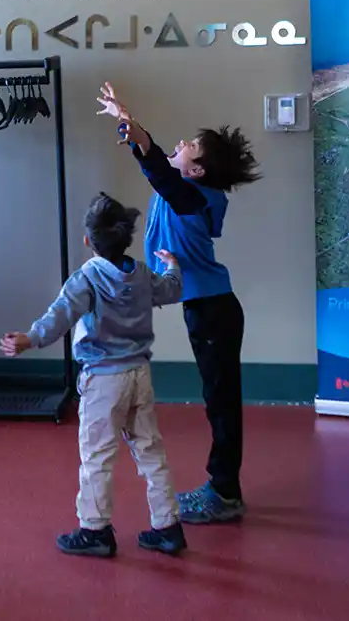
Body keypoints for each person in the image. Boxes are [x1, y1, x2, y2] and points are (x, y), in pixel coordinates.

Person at [96, 82, 260, 525]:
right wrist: (130, 123)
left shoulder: (191, 198)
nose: (182, 144)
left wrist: (129, 126)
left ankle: (224, 493)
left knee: (221, 403)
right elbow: (162, 164)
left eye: (191, 146)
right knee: (218, 400)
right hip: (208, 307)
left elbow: (160, 172)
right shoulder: (191, 190)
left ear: (198, 171)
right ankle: (225, 488)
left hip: (212, 310)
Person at [0, 192, 187, 558]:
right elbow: (172, 289)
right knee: (151, 451)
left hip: (104, 381)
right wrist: (172, 266)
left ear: (88, 241)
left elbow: (61, 315)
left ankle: (95, 529)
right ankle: (168, 527)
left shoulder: (87, 277)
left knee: (97, 455)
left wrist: (29, 338)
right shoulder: (142, 273)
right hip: (140, 375)